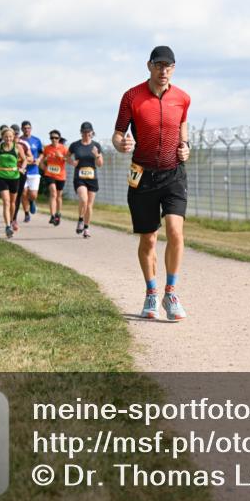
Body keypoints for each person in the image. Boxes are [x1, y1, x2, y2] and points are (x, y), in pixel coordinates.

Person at [112, 45, 191, 321]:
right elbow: (118, 133)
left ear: (174, 68)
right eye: (159, 65)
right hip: (143, 175)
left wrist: (186, 146)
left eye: (168, 66)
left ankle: (170, 293)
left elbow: (183, 125)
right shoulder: (132, 97)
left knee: (175, 231)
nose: (164, 71)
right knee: (149, 238)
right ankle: (151, 292)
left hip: (173, 173)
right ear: (149, 66)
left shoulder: (183, 98)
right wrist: (121, 144)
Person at [69, 122, 103, 239]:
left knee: (89, 205)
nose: (86, 134)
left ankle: (87, 228)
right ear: (81, 132)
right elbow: (67, 157)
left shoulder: (96, 146)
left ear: (92, 132)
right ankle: (80, 220)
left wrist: (97, 155)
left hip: (92, 178)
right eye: (84, 132)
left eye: (88, 132)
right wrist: (72, 162)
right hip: (79, 178)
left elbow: (100, 164)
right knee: (84, 199)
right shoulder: (75, 145)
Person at [0, 126, 25, 238]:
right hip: (2, 177)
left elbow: (25, 160)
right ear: (3, 137)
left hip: (15, 177)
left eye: (10, 136)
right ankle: (7, 226)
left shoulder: (18, 147)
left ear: (14, 137)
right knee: (6, 202)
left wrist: (22, 168)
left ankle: (11, 222)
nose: (8, 138)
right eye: (6, 136)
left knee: (12, 203)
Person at [38, 129, 68, 226]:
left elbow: (68, 160)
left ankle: (58, 213)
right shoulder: (47, 148)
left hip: (60, 175)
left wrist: (61, 157)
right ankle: (52, 215)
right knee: (53, 193)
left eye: (56, 138)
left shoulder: (64, 148)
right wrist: (44, 165)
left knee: (59, 196)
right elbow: (41, 162)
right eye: (52, 138)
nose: (54, 139)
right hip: (49, 174)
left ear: (59, 138)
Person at [19, 120, 43, 222]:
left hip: (34, 171)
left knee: (33, 195)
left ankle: (32, 201)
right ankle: (26, 213)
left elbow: (42, 153)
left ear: (31, 129)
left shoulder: (36, 140)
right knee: (23, 193)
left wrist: (38, 160)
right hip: (23, 171)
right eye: (24, 128)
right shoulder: (19, 141)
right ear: (22, 129)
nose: (26, 130)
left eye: (28, 128)